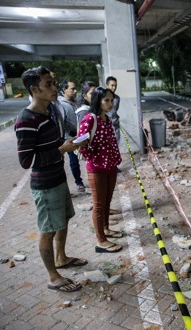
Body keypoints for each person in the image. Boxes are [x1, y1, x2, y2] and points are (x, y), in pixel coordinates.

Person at [15, 66, 88, 292]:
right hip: (44, 185)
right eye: (48, 84)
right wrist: (61, 150)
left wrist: (73, 141)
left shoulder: (52, 110)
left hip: (58, 177)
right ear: (34, 89)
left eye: (53, 83)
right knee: (48, 229)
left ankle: (61, 258)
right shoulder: (25, 120)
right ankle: (53, 276)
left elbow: (56, 143)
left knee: (63, 220)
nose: (54, 88)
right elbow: (26, 160)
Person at [77, 86, 123, 253]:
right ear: (98, 101)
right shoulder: (90, 119)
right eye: (106, 100)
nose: (110, 104)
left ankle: (106, 229)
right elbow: (81, 144)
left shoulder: (106, 119)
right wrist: (94, 158)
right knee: (98, 204)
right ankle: (101, 241)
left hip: (111, 166)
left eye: (111, 100)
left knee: (107, 201)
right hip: (97, 169)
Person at [58, 80, 85, 192]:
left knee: (80, 158)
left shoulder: (76, 102)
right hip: (69, 138)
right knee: (74, 160)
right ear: (65, 90)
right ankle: (78, 182)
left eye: (75, 89)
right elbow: (62, 122)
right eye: (72, 89)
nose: (75, 91)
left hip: (79, 136)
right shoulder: (62, 105)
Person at [105, 76, 121, 144]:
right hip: (105, 127)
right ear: (107, 85)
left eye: (115, 86)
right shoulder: (102, 97)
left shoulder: (117, 98)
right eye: (112, 85)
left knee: (116, 146)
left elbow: (115, 111)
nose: (114, 88)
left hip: (115, 126)